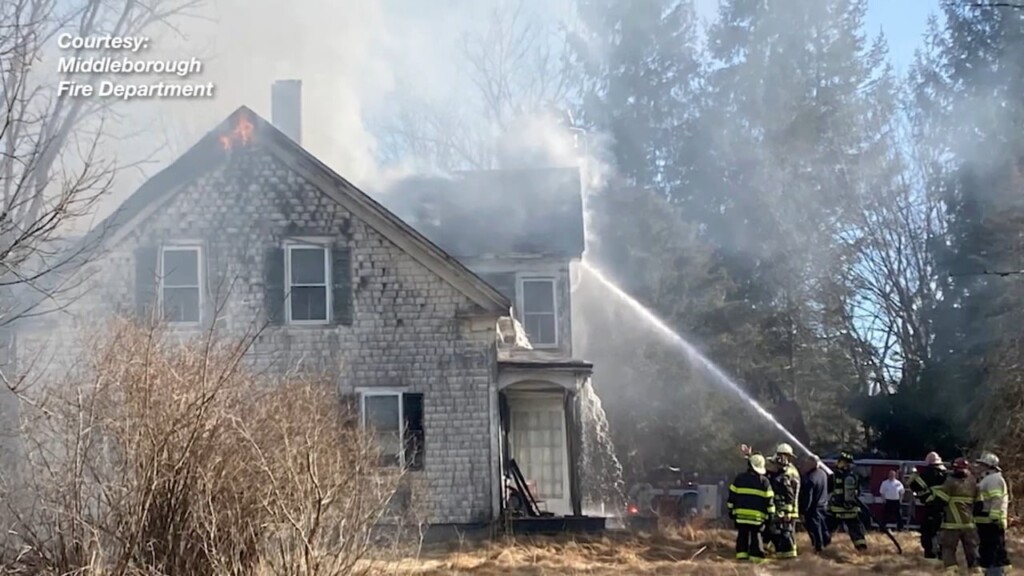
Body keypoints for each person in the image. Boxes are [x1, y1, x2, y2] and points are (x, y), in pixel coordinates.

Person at [931, 457, 979, 573]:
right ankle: (975, 570)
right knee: (972, 549)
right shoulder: (973, 482)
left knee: (948, 548)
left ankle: (952, 570)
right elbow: (979, 504)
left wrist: (934, 511)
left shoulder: (950, 482)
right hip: (969, 524)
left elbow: (940, 502)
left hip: (952, 524)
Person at [727, 453, 775, 563]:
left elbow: (732, 496)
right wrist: (771, 515)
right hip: (757, 518)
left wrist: (731, 510)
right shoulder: (764, 482)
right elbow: (769, 500)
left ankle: (741, 556)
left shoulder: (739, 479)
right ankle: (756, 558)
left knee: (742, 535)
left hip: (741, 516)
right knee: (756, 536)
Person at [974, 451, 1010, 576]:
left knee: (993, 550)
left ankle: (995, 573)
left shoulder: (993, 479)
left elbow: (996, 499)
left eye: (982, 465)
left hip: (991, 522)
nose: (979, 467)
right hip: (985, 521)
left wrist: (994, 517)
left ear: (989, 466)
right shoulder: (988, 479)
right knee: (987, 550)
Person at [908, 451, 948, 559]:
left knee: (928, 531)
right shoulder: (947, 474)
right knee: (942, 531)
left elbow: (914, 486)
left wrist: (913, 475)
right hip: (946, 507)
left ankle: (930, 554)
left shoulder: (927, 473)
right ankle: (942, 554)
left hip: (932, 506)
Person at [826, 451, 867, 551]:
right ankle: (861, 548)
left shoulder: (834, 476)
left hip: (836, 510)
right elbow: (859, 491)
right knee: (856, 530)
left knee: (828, 529)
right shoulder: (854, 476)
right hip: (851, 509)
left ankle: (822, 546)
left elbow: (827, 489)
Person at [767, 443, 801, 559]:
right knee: (785, 532)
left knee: (788, 533)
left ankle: (790, 558)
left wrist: (787, 511)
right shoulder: (785, 470)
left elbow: (789, 494)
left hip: (789, 509)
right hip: (786, 508)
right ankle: (786, 555)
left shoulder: (788, 473)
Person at [799, 454, 831, 553]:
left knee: (814, 529)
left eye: (807, 463)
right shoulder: (823, 474)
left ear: (812, 464)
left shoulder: (810, 478)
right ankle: (826, 542)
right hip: (823, 506)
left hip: (813, 509)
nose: (805, 465)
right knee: (822, 526)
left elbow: (808, 497)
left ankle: (818, 547)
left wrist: (803, 511)